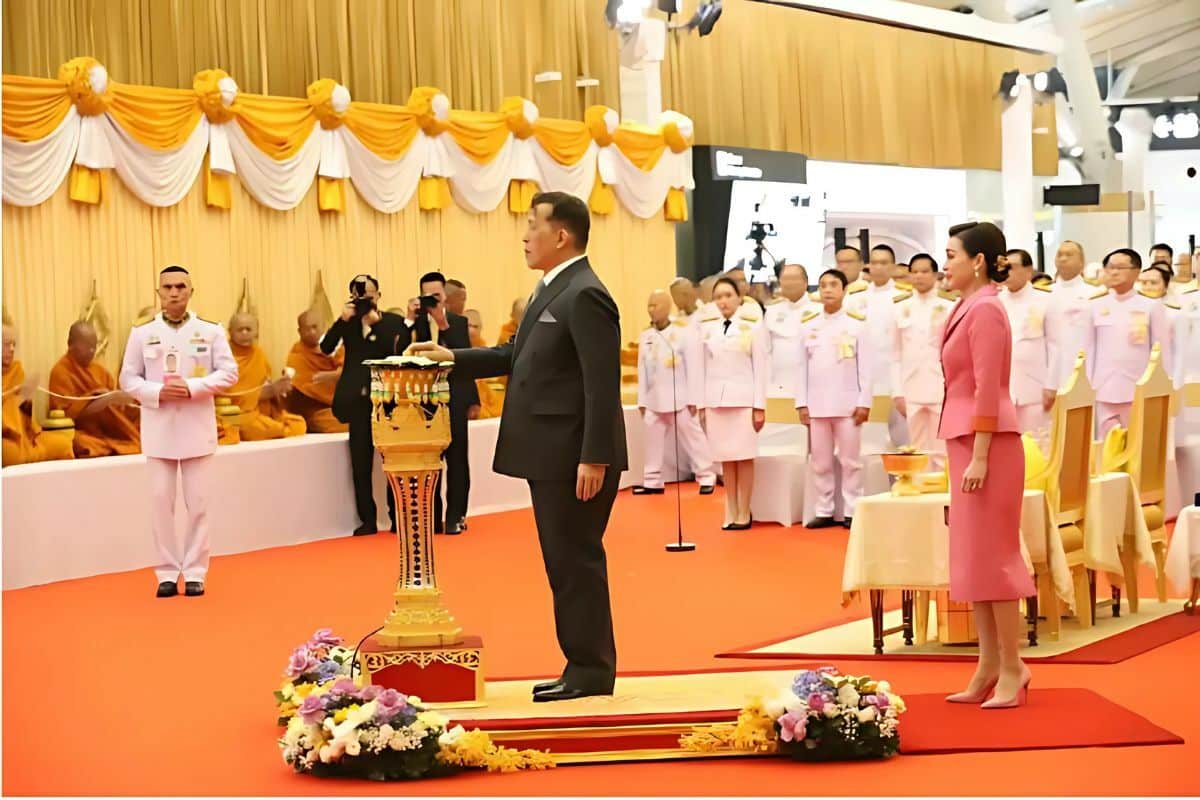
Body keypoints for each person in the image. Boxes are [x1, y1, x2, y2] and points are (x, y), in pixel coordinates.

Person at [408, 191, 626, 703]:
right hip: (550, 451)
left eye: (533, 225)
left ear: (562, 235)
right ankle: (581, 663)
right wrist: (449, 355)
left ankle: (591, 668)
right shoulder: (552, 289)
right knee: (563, 561)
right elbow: (513, 354)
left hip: (573, 454)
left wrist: (594, 455)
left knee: (574, 560)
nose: (525, 236)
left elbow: (601, 382)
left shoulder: (585, 293)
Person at [939, 222, 1035, 709]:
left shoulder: (988, 310)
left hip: (990, 446)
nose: (945, 262)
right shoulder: (965, 305)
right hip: (965, 440)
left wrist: (979, 454)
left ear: (977, 261)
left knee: (995, 558)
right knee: (973, 559)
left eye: (952, 254)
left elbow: (987, 388)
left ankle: (1014, 667)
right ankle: (987, 665)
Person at [119, 265, 238, 597]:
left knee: (198, 504)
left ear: (191, 291)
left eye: (180, 286)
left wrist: (194, 387)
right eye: (167, 287)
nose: (174, 293)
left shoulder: (210, 331)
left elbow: (229, 373)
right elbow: (127, 379)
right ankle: (167, 573)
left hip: (196, 428)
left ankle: (197, 571)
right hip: (159, 430)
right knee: (161, 502)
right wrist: (156, 392)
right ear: (158, 293)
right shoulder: (142, 333)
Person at [321, 275, 407, 536]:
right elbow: (325, 348)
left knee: (392, 463)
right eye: (359, 298)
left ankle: (397, 519)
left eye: (369, 298)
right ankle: (367, 520)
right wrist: (341, 320)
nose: (365, 304)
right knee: (360, 464)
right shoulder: (348, 323)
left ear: (379, 296)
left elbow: (398, 352)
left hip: (387, 400)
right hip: (358, 402)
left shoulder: (392, 322)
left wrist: (376, 325)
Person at [403, 271, 479, 536]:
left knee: (458, 459)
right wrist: (409, 320)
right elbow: (400, 351)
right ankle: (431, 517)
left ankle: (456, 515)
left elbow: (465, 359)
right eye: (427, 297)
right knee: (429, 462)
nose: (432, 301)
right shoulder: (416, 325)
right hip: (425, 400)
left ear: (445, 295)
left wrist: (442, 322)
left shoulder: (457, 323)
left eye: (436, 296)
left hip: (454, 399)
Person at [797, 269, 872, 528]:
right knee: (820, 461)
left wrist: (865, 402)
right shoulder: (808, 324)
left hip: (848, 404)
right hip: (817, 405)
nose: (827, 289)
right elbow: (801, 367)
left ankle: (853, 510)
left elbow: (867, 367)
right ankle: (824, 509)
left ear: (844, 290)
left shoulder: (857, 323)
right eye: (823, 285)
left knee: (851, 461)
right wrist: (801, 403)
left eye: (833, 285)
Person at [697, 277, 767, 530]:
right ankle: (731, 508)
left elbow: (761, 368)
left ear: (739, 298)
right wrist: (701, 405)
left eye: (728, 295)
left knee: (744, 457)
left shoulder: (753, 326)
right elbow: (701, 368)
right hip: (716, 400)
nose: (723, 301)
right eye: (718, 297)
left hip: (744, 401)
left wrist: (759, 406)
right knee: (726, 458)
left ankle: (744, 510)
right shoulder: (707, 328)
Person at [635, 289, 716, 496]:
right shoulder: (646, 336)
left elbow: (694, 367)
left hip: (680, 397)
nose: (651, 310)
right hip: (654, 398)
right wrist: (642, 400)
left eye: (656, 305)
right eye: (649, 305)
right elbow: (642, 370)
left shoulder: (683, 332)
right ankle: (652, 481)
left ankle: (706, 476)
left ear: (667, 307)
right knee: (652, 442)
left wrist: (694, 398)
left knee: (693, 438)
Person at [1086, 248, 1171, 436]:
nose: (1114, 272)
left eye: (1120, 267)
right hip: (1104, 388)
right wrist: (1089, 385)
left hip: (1139, 389)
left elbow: (1162, 352)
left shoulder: (1151, 306)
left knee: (1140, 444)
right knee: (1106, 448)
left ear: (1136, 271)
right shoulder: (1095, 306)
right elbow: (1089, 350)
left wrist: (1162, 389)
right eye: (1110, 267)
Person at [891, 254, 956, 470]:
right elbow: (895, 353)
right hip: (911, 386)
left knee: (942, 450)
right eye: (915, 271)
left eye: (924, 271)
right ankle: (919, 496)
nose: (919, 276)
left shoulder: (950, 305)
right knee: (916, 450)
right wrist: (897, 391)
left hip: (941, 384)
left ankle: (943, 499)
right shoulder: (899, 307)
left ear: (936, 274)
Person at [848, 244, 911, 449]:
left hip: (894, 375)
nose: (878, 267)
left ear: (892, 266)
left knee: (899, 438)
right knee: (866, 441)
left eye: (884, 263)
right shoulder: (856, 297)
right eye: (874, 263)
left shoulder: (905, 297)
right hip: (863, 376)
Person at [48, 320, 141, 457]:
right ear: (70, 344)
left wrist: (125, 401)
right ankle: (111, 449)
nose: (92, 351)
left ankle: (113, 448)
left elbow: (116, 412)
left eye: (94, 346)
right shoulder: (60, 372)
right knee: (75, 442)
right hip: (82, 432)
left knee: (139, 431)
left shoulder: (100, 371)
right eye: (86, 346)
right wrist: (103, 400)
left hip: (107, 431)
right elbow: (66, 416)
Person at [999, 249, 1058, 444]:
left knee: (1038, 444)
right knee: (1006, 445)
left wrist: (1051, 385)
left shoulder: (1046, 300)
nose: (1006, 272)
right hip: (1003, 388)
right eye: (1003, 267)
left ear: (1028, 270)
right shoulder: (995, 301)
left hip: (1035, 387)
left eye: (1012, 267)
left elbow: (1055, 346)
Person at [3, 321, 74, 466]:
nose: (11, 349)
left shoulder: (16, 371)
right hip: (7, 438)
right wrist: (13, 395)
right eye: (5, 344)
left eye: (14, 344)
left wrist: (26, 401)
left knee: (63, 444)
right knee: (8, 453)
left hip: (26, 439)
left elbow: (25, 420)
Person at [225, 313, 306, 440]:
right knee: (251, 428)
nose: (245, 333)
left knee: (299, 424)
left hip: (260, 411)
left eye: (249, 329)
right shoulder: (224, 356)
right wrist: (264, 392)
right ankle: (276, 430)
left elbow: (265, 384)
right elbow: (227, 395)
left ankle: (276, 428)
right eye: (240, 330)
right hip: (240, 414)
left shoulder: (259, 354)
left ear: (256, 332)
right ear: (230, 332)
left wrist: (278, 389)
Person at [1048, 240, 1101, 392]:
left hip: (1083, 366)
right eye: (1060, 255)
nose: (1063, 259)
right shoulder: (1045, 293)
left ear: (1082, 262)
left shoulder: (1094, 294)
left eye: (1069, 255)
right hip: (1051, 370)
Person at [285, 310, 348, 434]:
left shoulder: (335, 347)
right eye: (307, 329)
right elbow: (303, 385)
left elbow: (350, 371)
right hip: (316, 410)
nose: (311, 332)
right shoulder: (297, 354)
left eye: (314, 327)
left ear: (323, 327)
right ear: (299, 331)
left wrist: (332, 376)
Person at [764, 263, 814, 397]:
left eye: (794, 278)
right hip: (779, 382)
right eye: (785, 279)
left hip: (812, 383)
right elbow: (766, 350)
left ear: (806, 281)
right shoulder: (772, 311)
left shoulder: (819, 308)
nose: (789, 283)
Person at [464, 309, 505, 419]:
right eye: (468, 325)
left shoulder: (486, 352)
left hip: (488, 403)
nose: (471, 330)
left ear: (481, 328)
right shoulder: (454, 351)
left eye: (475, 326)